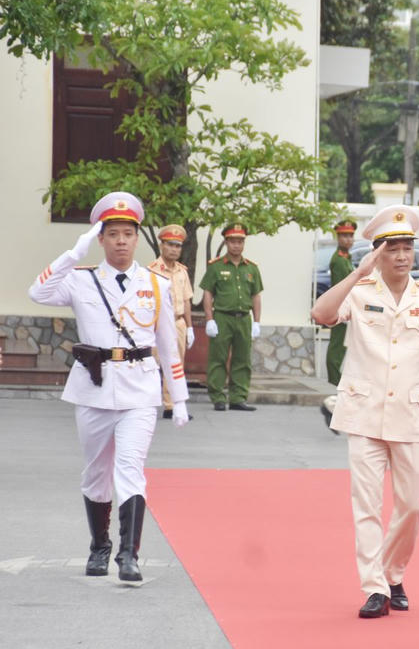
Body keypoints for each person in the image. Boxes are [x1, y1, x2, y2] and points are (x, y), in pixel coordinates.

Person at [28, 192, 189, 582]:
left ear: (137, 239)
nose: (120, 241)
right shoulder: (81, 280)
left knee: (130, 468)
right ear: (100, 238)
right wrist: (71, 253)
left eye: (128, 233)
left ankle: (128, 555)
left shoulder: (157, 283)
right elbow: (38, 292)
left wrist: (179, 397)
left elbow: (167, 343)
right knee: (96, 472)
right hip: (94, 388)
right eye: (112, 233)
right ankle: (99, 546)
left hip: (139, 389)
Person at [311, 205, 419, 619]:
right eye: (391, 248)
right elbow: (322, 315)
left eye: (407, 248)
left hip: (410, 415)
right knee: (367, 505)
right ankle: (375, 587)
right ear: (377, 253)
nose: (401, 256)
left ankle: (393, 572)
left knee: (413, 506)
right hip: (363, 413)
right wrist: (358, 274)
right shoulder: (359, 292)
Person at [201, 223, 262, 411]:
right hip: (222, 317)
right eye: (233, 241)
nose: (237, 245)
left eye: (240, 241)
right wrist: (209, 319)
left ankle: (238, 398)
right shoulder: (216, 266)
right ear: (226, 242)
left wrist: (257, 322)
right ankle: (218, 397)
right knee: (218, 358)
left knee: (242, 359)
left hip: (243, 318)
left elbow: (256, 296)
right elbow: (208, 293)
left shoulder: (251, 268)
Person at [149, 224, 195, 419]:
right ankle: (147, 403)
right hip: (157, 323)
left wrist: (190, 327)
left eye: (178, 246)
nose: (174, 250)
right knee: (153, 364)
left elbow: (186, 301)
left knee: (176, 364)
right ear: (162, 246)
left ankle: (171, 405)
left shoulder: (182, 271)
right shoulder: (152, 271)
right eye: (170, 245)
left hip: (178, 323)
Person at [326, 218, 357, 386]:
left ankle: (336, 377)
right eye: (344, 236)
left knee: (341, 343)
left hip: (344, 305)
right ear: (338, 238)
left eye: (351, 236)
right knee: (337, 344)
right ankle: (334, 379)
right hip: (339, 306)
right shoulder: (338, 260)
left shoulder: (345, 258)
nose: (348, 239)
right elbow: (340, 287)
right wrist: (342, 309)